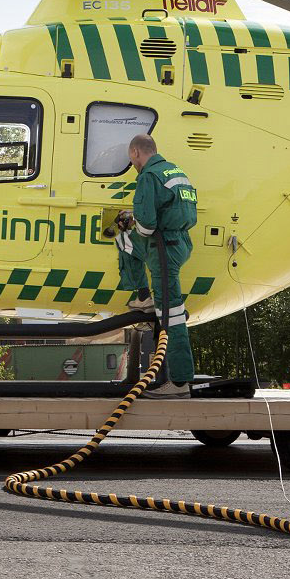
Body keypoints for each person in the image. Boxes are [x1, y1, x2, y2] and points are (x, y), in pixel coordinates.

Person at [113, 134, 198, 396]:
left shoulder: (148, 177)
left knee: (171, 318)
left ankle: (180, 383)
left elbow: (148, 227)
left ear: (137, 153)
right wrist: (132, 218)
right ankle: (143, 297)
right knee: (124, 240)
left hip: (163, 250)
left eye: (132, 160)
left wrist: (136, 219)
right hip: (179, 242)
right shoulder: (174, 171)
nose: (133, 165)